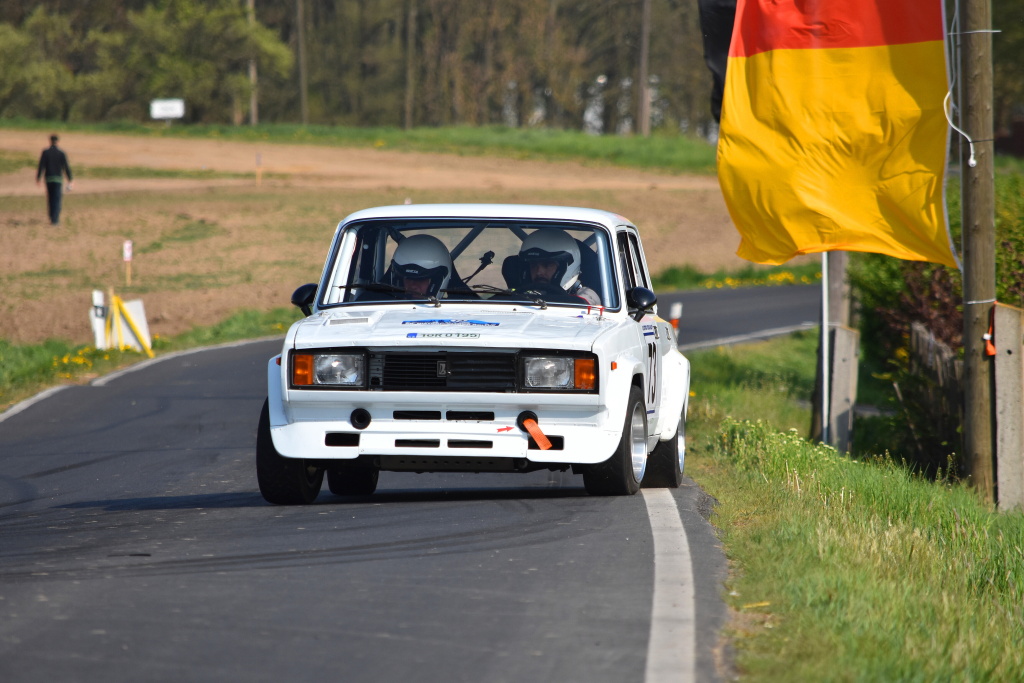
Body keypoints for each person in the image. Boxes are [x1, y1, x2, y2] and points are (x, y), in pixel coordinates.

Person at [518, 229, 601, 305]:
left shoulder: (586, 296)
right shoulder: (516, 297)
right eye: (533, 265)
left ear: (565, 267)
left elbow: (587, 304)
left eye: (547, 265)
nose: (539, 272)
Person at [389, 234, 452, 299]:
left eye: (420, 280)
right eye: (408, 278)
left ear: (436, 282)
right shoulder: (384, 304)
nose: (413, 286)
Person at [36, 135, 73, 226]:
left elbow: (41, 165)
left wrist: (38, 178)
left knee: (50, 198)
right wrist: (70, 179)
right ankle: (55, 220)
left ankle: (51, 216)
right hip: (58, 179)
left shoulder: (45, 152)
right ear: (57, 141)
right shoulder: (61, 153)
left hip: (48, 178)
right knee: (56, 199)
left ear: (50, 141)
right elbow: (66, 167)